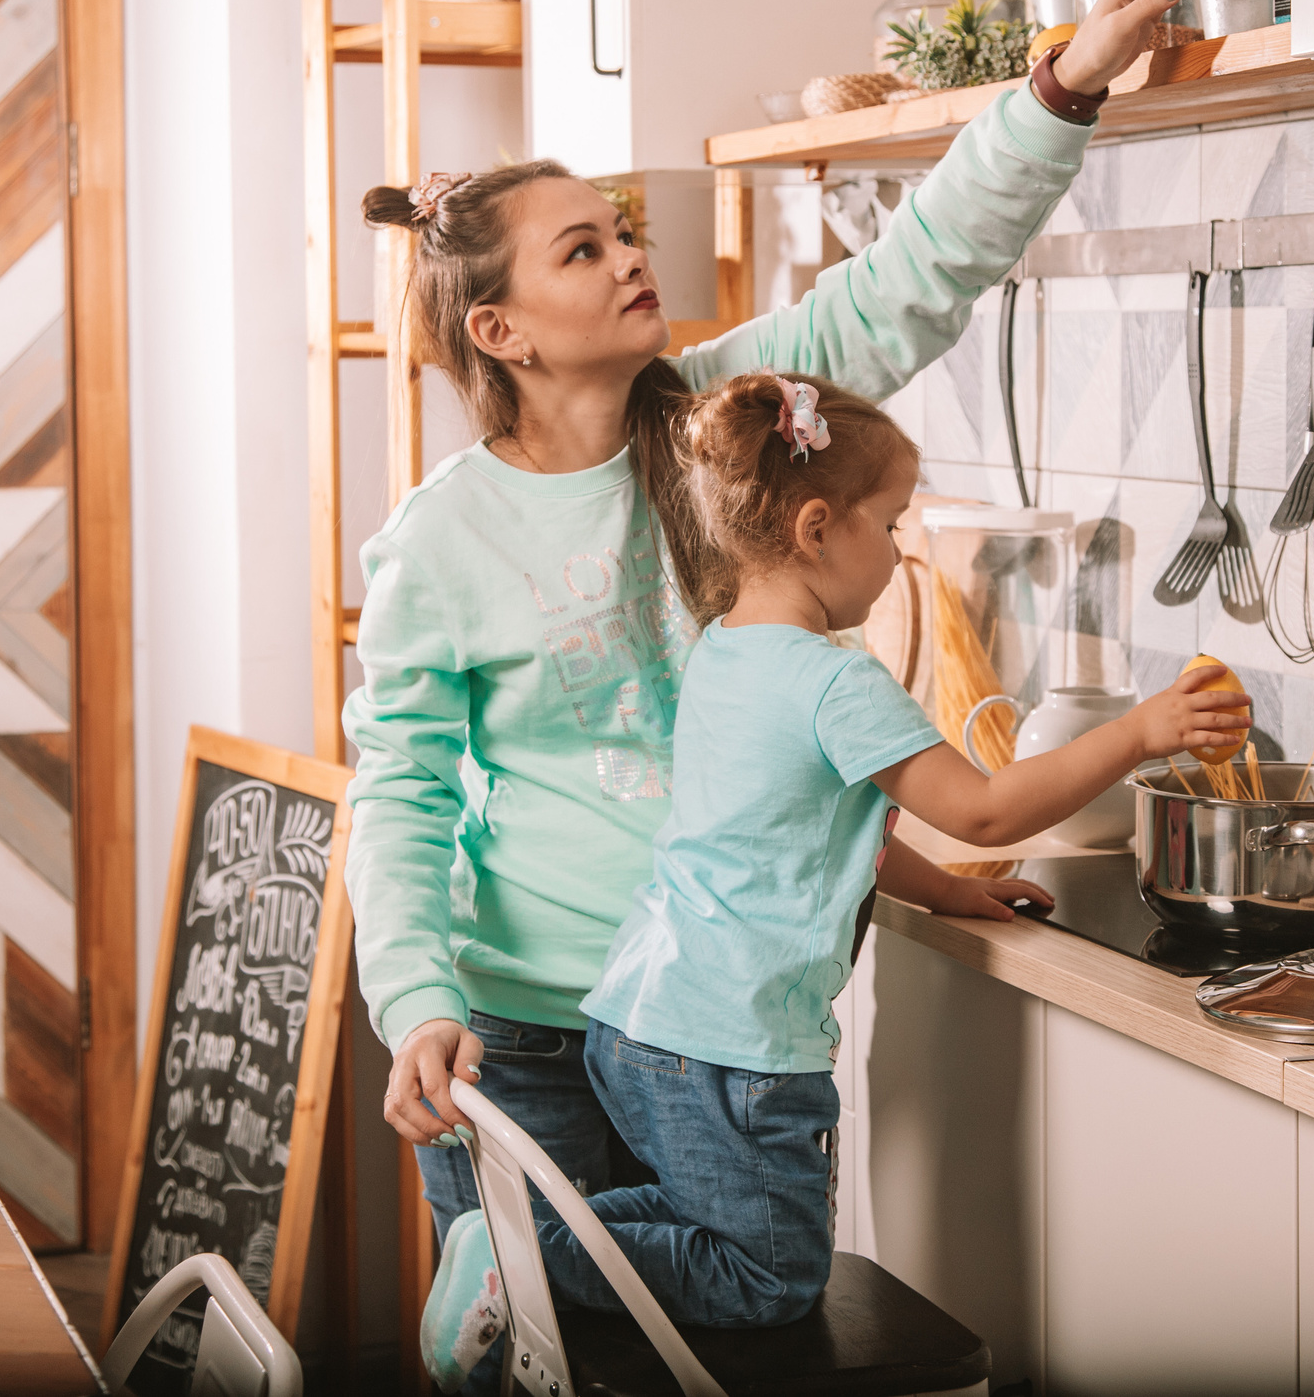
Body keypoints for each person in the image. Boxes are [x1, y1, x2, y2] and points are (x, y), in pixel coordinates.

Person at [342, 0, 1225, 1385]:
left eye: (622, 227)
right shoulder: (437, 546)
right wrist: (419, 997)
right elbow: (401, 801)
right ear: (498, 330)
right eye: (587, 247)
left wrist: (1064, 83)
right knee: (537, 1358)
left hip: (712, 1028)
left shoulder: (715, 433)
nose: (633, 253)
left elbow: (917, 276)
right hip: (534, 1028)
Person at [416, 373, 1250, 1383]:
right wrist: (1139, 731)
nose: (901, 553)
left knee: (703, 1225)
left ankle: (520, 1243)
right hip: (732, 1049)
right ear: (817, 527)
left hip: (640, 1024)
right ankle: (523, 1258)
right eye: (892, 523)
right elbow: (986, 809)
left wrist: (950, 894)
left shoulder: (725, 650)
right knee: (769, 1274)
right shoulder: (836, 681)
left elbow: (802, 834)